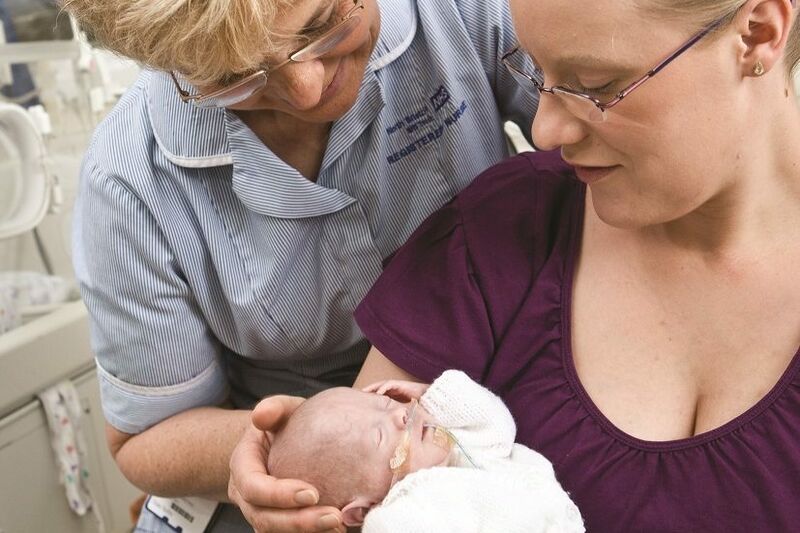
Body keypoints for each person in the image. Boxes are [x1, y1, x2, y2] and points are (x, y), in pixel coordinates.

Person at [248, 0, 800, 530]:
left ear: (760, 32)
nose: (545, 132)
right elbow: (344, 470)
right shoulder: (499, 234)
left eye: (595, 86)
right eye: (537, 76)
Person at [62, 0, 537, 529]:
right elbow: (143, 437)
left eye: (324, 26)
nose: (307, 90)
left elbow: (608, 129)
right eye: (233, 77)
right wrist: (267, 451)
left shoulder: (464, 14)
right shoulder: (127, 182)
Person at [267, 370, 584, 532]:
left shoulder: (460, 445)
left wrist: (432, 396)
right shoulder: (399, 516)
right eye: (379, 435)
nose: (399, 415)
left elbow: (498, 426)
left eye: (386, 403)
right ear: (361, 510)